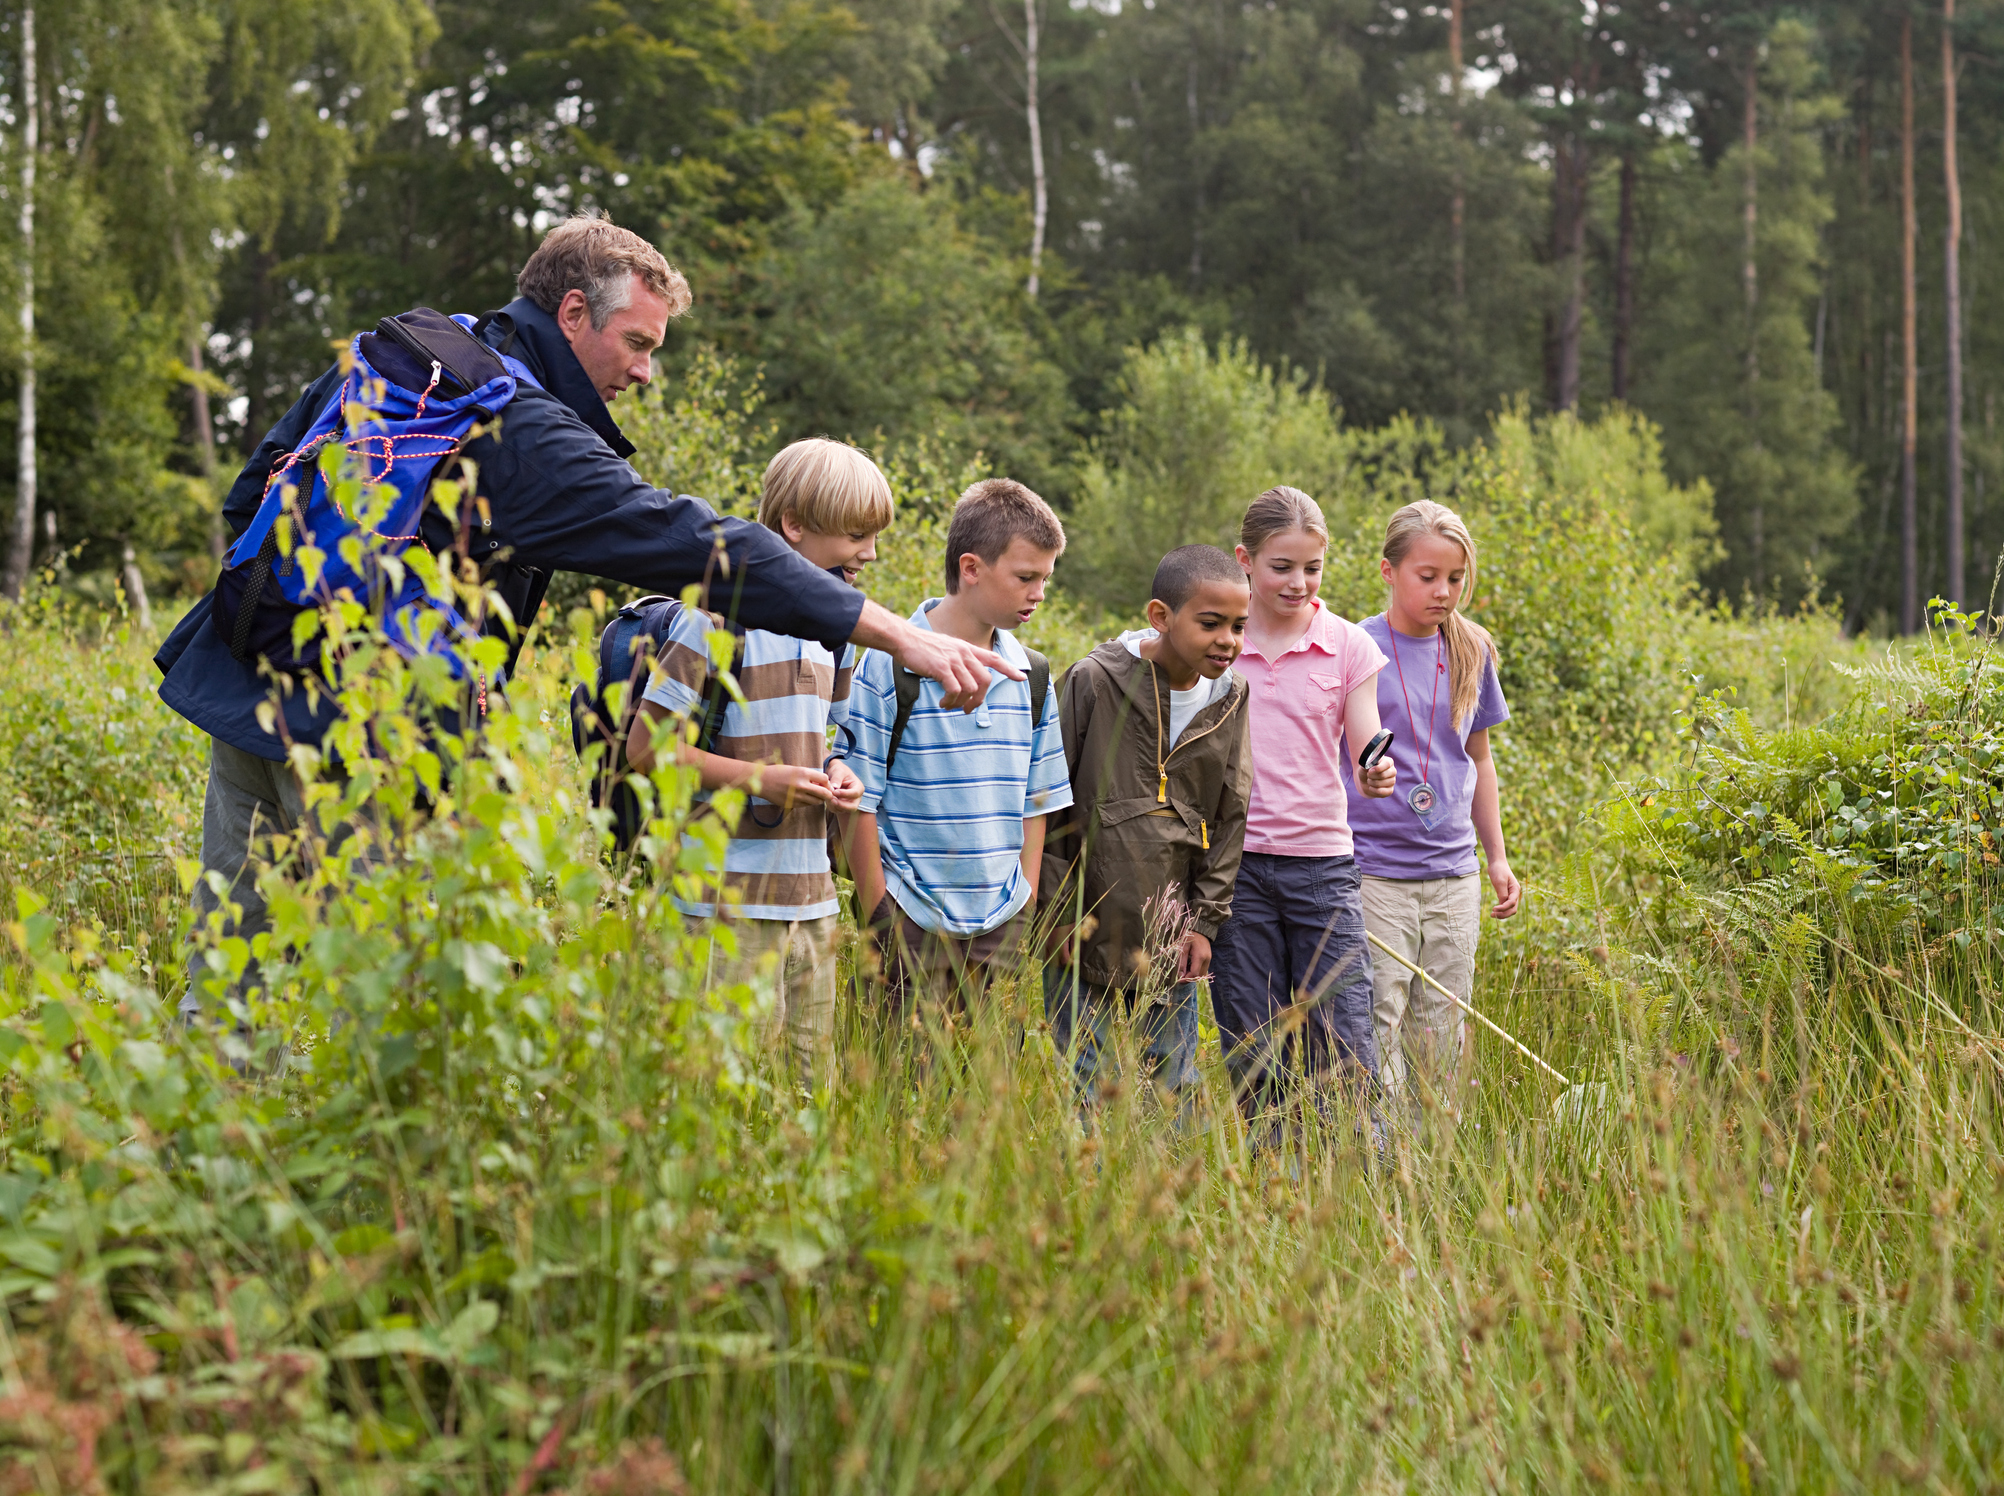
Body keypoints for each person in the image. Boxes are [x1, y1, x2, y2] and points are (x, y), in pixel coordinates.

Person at [155, 214, 1010, 1013]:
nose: (644, 370)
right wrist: (901, 633)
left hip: (249, 692)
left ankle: (200, 1157)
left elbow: (249, 498)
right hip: (372, 743)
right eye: (637, 342)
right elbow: (704, 547)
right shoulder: (521, 427)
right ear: (571, 312)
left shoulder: (411, 358)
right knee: (394, 1004)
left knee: (231, 976)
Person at [622, 438, 887, 1098]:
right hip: (722, 906)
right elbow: (648, 748)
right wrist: (760, 779)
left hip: (813, 904)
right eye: (856, 535)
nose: (870, 553)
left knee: (807, 1099)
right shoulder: (713, 617)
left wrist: (836, 769)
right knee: (716, 1096)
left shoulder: (837, 630)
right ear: (795, 526)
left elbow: (825, 737)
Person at [1207, 486, 1397, 1148]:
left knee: (1345, 1039)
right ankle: (1273, 1183)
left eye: (1311, 568)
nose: (1298, 581)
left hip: (1323, 870)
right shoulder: (1218, 645)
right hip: (1237, 874)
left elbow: (1365, 743)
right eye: (1281, 566)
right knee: (1254, 1047)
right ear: (1245, 561)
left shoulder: (1347, 645)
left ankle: (1363, 1186)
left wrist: (1377, 772)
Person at [844, 480, 1073, 1024]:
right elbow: (856, 800)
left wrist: (1025, 901)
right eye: (1025, 577)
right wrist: (881, 915)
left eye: (1046, 578)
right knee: (893, 1089)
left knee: (980, 1096)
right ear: (971, 568)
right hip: (909, 918)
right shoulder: (887, 663)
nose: (1038, 593)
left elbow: (1036, 801)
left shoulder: (1031, 673)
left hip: (1001, 925)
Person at [1040, 544, 1252, 1112]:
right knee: (1083, 1078)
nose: (1227, 640)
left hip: (1171, 931)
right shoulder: (1092, 680)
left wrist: (1204, 923)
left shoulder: (1232, 698)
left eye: (1238, 626)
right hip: (1083, 925)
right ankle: (1083, 1192)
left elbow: (1230, 815)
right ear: (1161, 616)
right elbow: (1048, 802)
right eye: (1211, 623)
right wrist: (1055, 916)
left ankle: (1169, 1197)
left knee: (1173, 1083)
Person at [1352, 500, 1520, 1110]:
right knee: (1377, 1019)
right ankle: (1381, 1159)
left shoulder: (1471, 649)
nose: (1444, 592)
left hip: (1453, 872)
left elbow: (1478, 758)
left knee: (1442, 1028)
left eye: (1455, 579)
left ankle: (1434, 1166)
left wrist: (1496, 857)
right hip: (1373, 870)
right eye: (1429, 577)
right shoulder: (1355, 649)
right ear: (1389, 571)